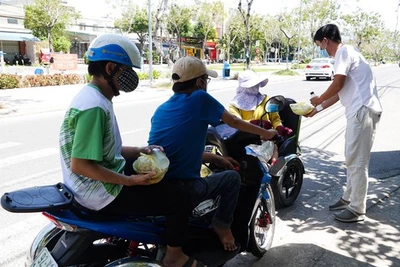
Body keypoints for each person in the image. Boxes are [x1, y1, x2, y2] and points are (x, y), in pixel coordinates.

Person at [58, 33, 197, 267]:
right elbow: (81, 164)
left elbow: (102, 150)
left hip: (92, 186)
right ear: (111, 68)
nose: (131, 78)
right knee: (181, 197)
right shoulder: (94, 106)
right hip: (100, 193)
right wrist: (129, 181)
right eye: (127, 72)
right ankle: (174, 256)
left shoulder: (94, 97)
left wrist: (141, 149)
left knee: (161, 179)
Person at [147, 56, 278, 258]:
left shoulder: (161, 109)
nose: (206, 84)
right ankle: (222, 224)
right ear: (200, 82)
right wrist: (265, 133)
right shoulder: (200, 98)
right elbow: (233, 121)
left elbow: (177, 152)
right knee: (232, 179)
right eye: (206, 80)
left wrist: (216, 159)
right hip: (183, 188)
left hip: (158, 183)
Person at [308, 24, 382, 223]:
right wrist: (317, 109)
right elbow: (341, 94)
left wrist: (319, 98)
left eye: (322, 46)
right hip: (360, 111)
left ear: (326, 40)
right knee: (352, 157)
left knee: (357, 161)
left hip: (362, 111)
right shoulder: (350, 53)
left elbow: (337, 84)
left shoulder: (343, 52)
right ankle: (349, 198)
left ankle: (357, 208)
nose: (324, 51)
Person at [229, 70, 293, 163]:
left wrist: (279, 128)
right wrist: (254, 127)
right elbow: (236, 124)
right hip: (245, 141)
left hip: (266, 138)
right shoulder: (234, 105)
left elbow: (275, 119)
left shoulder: (266, 100)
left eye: (256, 84)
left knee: (274, 147)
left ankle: (273, 170)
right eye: (251, 85)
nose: (255, 87)